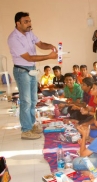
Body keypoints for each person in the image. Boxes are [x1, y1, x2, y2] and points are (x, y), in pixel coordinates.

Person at [7, 12, 57, 140]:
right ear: (18, 23)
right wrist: (48, 56)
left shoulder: (29, 33)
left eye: (29, 21)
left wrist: (50, 46)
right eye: (26, 22)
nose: (29, 24)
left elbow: (40, 44)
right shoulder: (13, 38)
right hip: (22, 71)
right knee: (26, 101)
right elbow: (28, 58)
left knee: (34, 100)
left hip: (32, 70)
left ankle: (32, 124)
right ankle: (26, 130)